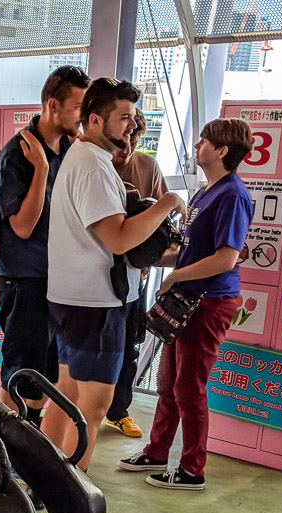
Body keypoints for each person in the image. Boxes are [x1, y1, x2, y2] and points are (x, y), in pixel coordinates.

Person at [42, 78, 186, 483]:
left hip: (73, 297)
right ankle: (71, 493)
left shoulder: (81, 157)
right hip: (95, 303)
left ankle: (41, 480)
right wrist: (167, 203)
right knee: (94, 403)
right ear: (94, 119)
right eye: (124, 117)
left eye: (133, 117)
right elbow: (118, 237)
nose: (131, 125)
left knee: (66, 392)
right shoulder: (92, 164)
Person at [118, 118, 255, 490]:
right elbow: (192, 251)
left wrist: (176, 276)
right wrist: (160, 262)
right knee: (169, 383)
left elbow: (226, 258)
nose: (197, 146)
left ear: (222, 151)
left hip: (209, 302)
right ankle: (157, 450)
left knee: (190, 388)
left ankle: (193, 469)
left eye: (204, 141)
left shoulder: (233, 196)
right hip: (187, 301)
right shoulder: (204, 193)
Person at [0, 64, 90, 422]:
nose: (84, 116)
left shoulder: (70, 148)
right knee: (22, 370)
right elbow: (21, 226)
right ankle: (6, 446)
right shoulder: (18, 153)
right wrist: (42, 174)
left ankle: (28, 436)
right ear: (53, 105)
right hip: (26, 277)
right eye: (79, 107)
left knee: (47, 371)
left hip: (60, 278)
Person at [107, 108, 169, 439]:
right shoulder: (92, 166)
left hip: (134, 274)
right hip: (93, 275)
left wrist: (150, 258)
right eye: (122, 137)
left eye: (133, 137)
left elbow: (160, 220)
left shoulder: (147, 167)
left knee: (130, 344)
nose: (127, 144)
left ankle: (118, 411)